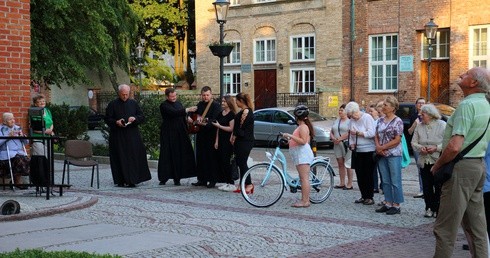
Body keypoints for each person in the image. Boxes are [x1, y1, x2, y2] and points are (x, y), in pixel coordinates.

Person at [431, 67, 490, 258]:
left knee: (445, 228)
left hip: (462, 168)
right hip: (478, 166)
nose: (460, 75)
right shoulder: (486, 104)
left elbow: (455, 146)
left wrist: (437, 165)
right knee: (477, 228)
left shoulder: (467, 105)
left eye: (466, 74)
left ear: (473, 83)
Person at [104, 84, 151, 187]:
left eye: (126, 94)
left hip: (132, 134)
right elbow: (107, 119)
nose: (125, 96)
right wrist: (116, 122)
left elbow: (142, 117)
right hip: (118, 135)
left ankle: (133, 180)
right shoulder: (112, 104)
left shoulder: (133, 103)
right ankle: (121, 180)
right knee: (119, 157)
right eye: (123, 94)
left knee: (133, 157)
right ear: (119, 93)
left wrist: (134, 118)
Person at [411, 104, 446, 218]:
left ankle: (438, 208)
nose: (420, 116)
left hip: (438, 160)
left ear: (430, 115)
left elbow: (447, 142)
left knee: (438, 185)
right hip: (424, 160)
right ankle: (428, 207)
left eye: (423, 114)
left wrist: (436, 148)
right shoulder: (419, 126)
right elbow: (413, 142)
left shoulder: (442, 125)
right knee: (427, 186)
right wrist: (420, 148)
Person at [158, 88, 197, 186]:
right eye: (171, 97)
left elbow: (180, 114)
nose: (174, 98)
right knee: (166, 155)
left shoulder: (178, 104)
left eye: (175, 96)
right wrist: (187, 110)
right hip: (168, 133)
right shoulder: (164, 105)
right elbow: (173, 113)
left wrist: (187, 118)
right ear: (167, 96)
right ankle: (164, 177)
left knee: (179, 155)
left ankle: (177, 177)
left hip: (180, 133)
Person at [374, 96, 404, 215]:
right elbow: (376, 134)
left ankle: (396, 205)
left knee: (395, 180)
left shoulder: (398, 121)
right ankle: (387, 202)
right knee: (385, 180)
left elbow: (397, 140)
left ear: (393, 107)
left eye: (386, 105)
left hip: (393, 153)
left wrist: (382, 147)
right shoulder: (381, 120)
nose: (383, 107)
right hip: (381, 154)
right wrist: (378, 147)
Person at [282, 105, 315, 208]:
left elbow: (303, 141)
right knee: (302, 178)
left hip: (302, 155)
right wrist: (289, 141)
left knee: (304, 178)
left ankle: (305, 201)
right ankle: (304, 199)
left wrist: (290, 136)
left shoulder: (303, 127)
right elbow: (298, 140)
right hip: (298, 154)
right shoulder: (301, 127)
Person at [344, 101, 376, 206]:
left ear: (357, 111)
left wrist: (359, 133)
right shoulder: (351, 120)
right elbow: (351, 135)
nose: (352, 117)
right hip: (357, 151)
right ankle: (363, 195)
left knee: (368, 174)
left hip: (368, 150)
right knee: (360, 174)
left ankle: (369, 197)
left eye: (353, 115)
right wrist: (352, 144)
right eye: (350, 116)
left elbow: (372, 133)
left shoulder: (367, 117)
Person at [191, 86, 221, 188]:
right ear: (201, 95)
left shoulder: (216, 106)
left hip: (211, 134)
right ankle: (202, 179)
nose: (205, 97)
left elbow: (215, 119)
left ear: (211, 94)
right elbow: (194, 116)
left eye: (207, 95)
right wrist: (191, 118)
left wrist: (204, 121)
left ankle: (212, 180)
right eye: (203, 95)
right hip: (201, 134)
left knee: (211, 158)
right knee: (201, 157)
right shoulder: (199, 105)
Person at [212, 95, 238, 192]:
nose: (222, 103)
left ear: (229, 103)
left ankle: (231, 182)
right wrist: (216, 141)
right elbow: (218, 129)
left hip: (228, 140)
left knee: (228, 162)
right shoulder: (220, 113)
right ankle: (226, 182)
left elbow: (231, 128)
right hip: (221, 140)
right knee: (222, 161)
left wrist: (220, 126)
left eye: (224, 102)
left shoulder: (232, 114)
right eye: (222, 101)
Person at [231, 92, 254, 194]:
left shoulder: (245, 112)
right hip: (242, 140)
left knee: (242, 163)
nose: (235, 102)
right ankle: (243, 183)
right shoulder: (244, 111)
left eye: (236, 100)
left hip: (244, 141)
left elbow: (241, 128)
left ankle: (248, 184)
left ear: (241, 101)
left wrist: (234, 135)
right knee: (241, 163)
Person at [0, 113, 29, 189]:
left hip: (19, 152)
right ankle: (17, 182)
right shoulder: (1, 129)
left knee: (26, 159)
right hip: (6, 153)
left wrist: (23, 136)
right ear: (5, 122)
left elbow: (26, 142)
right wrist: (8, 137)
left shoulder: (17, 128)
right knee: (18, 159)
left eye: (13, 119)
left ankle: (17, 181)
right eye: (10, 119)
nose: (13, 121)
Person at [330, 104, 353, 190]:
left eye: (342, 110)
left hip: (346, 144)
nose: (340, 112)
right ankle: (342, 182)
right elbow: (332, 130)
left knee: (348, 164)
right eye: (339, 110)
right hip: (337, 144)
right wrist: (333, 138)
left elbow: (350, 132)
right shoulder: (337, 120)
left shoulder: (350, 121)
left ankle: (350, 183)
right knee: (340, 163)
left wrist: (340, 138)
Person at [408, 97, 426, 198]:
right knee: (420, 167)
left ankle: (428, 188)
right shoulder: (413, 116)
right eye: (419, 103)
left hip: (427, 144)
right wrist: (415, 124)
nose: (421, 105)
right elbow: (409, 131)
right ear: (416, 105)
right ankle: (422, 189)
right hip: (417, 145)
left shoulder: (429, 116)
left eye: (423, 103)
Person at [367, 103, 382, 193]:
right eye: (369, 111)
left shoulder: (379, 121)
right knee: (373, 169)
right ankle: (375, 186)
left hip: (379, 147)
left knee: (381, 168)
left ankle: (383, 185)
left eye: (371, 111)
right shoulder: (371, 121)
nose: (370, 113)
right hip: (372, 147)